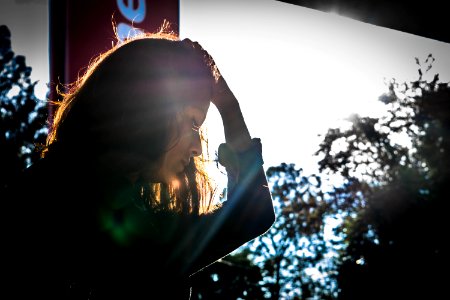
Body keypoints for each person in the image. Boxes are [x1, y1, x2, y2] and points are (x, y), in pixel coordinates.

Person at [1, 26, 275, 299]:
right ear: (148, 108)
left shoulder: (55, 189)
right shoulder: (56, 204)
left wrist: (228, 104)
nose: (196, 148)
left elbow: (254, 215)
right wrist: (227, 105)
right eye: (192, 123)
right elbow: (253, 214)